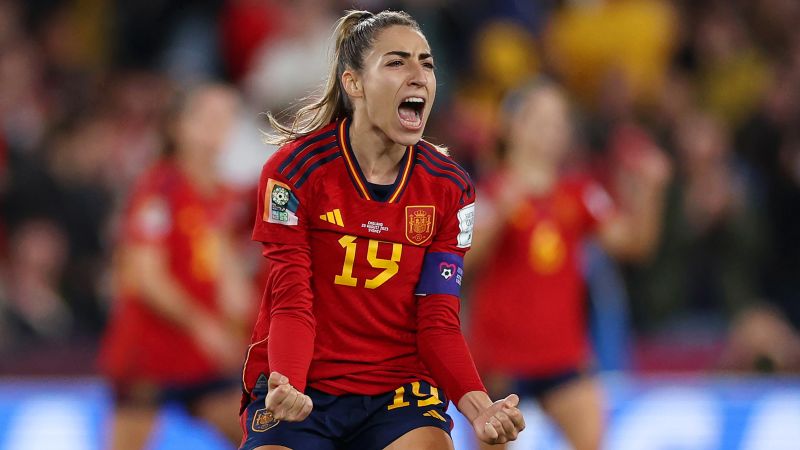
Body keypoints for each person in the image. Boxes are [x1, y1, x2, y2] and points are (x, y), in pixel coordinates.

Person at [239, 9, 526, 450]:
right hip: (303, 387)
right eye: (397, 62)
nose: (418, 75)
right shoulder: (295, 171)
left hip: (398, 391)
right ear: (353, 83)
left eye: (426, 63)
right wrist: (290, 384)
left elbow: (438, 321)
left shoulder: (449, 187)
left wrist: (479, 408)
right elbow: (292, 302)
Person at [466, 80, 670, 450]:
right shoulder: (488, 192)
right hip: (500, 361)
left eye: (560, 121)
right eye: (542, 119)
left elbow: (634, 246)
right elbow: (463, 260)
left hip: (564, 357)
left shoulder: (579, 192)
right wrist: (499, 218)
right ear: (513, 126)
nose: (553, 131)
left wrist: (650, 192)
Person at [98, 84, 253, 450]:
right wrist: (204, 325)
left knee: (258, 436)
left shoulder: (226, 195)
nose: (219, 125)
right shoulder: (159, 189)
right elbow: (145, 275)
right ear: (178, 127)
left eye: (227, 116)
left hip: (203, 355)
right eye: (208, 116)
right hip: (150, 352)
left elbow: (226, 273)